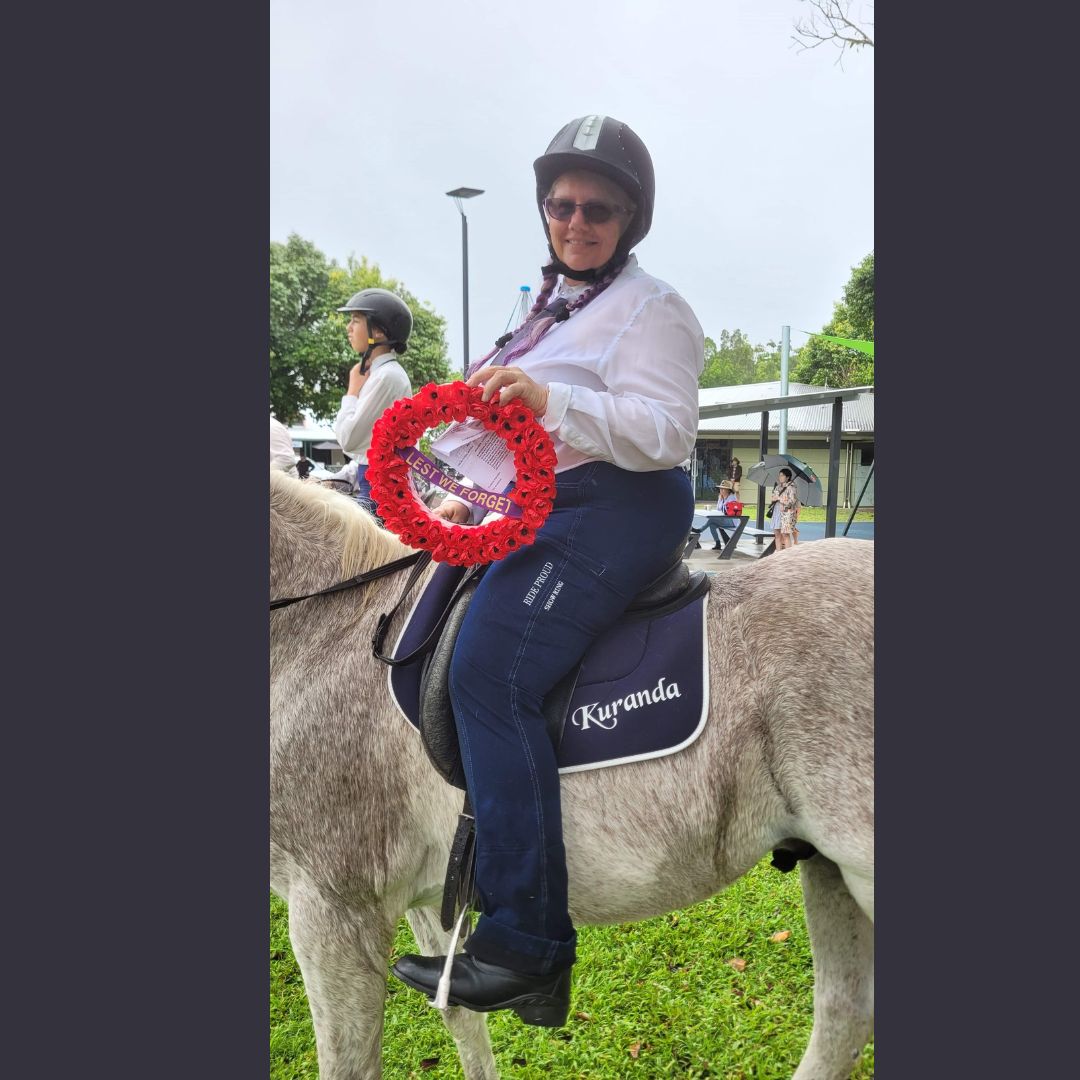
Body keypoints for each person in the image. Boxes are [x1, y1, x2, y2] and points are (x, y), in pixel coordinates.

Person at [391, 115, 704, 1025]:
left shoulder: (654, 309)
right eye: (562, 206)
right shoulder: (546, 305)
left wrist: (554, 401)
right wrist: (468, 494)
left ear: (630, 218)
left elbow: (668, 432)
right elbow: (503, 433)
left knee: (492, 673)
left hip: (618, 507)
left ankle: (528, 943)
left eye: (599, 209)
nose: (577, 222)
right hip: (535, 502)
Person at [332, 288, 414, 514]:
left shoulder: (386, 377)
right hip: (373, 482)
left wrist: (351, 392)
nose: (349, 328)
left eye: (356, 320)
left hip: (379, 489)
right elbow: (365, 449)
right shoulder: (380, 374)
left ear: (377, 332)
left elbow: (349, 440)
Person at [770, 467, 801, 552]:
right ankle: (778, 553)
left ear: (787, 477)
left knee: (785, 534)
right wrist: (774, 498)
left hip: (786, 513)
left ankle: (787, 555)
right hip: (777, 511)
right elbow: (773, 497)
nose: (780, 477)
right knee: (777, 534)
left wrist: (779, 499)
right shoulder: (778, 487)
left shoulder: (792, 487)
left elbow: (792, 501)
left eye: (782, 475)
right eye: (779, 475)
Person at [706, 479, 742, 549]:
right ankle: (718, 543)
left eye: (724, 489)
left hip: (731, 520)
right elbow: (718, 510)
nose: (721, 490)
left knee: (711, 520)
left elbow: (729, 511)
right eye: (721, 488)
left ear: (728, 490)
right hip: (724, 519)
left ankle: (699, 530)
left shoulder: (732, 498)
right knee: (712, 525)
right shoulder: (721, 498)